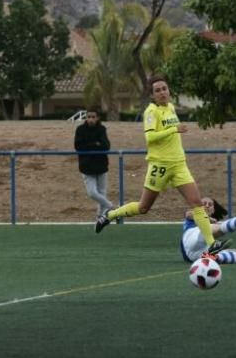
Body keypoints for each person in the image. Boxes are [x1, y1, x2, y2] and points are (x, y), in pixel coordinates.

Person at [94, 75, 224, 255]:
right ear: (152, 95)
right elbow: (150, 137)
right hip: (160, 166)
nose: (163, 92)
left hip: (179, 164)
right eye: (158, 90)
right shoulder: (151, 112)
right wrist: (173, 129)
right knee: (143, 207)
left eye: (164, 88)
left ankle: (211, 244)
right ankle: (109, 215)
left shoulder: (170, 107)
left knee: (196, 203)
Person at [180, 197, 236, 264]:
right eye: (204, 203)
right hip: (190, 240)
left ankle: (216, 258)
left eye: (210, 204)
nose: (207, 206)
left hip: (197, 255)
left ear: (213, 210)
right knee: (212, 228)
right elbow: (189, 214)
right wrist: (208, 218)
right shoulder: (194, 212)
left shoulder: (214, 223)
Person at [74, 107, 113, 218]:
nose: (91, 119)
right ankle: (110, 206)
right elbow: (78, 146)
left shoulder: (102, 129)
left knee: (102, 192)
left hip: (101, 165)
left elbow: (106, 146)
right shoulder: (80, 129)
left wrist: (91, 145)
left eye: (93, 117)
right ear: (86, 118)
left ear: (97, 118)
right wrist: (95, 144)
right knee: (92, 192)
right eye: (89, 117)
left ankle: (100, 216)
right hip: (86, 166)